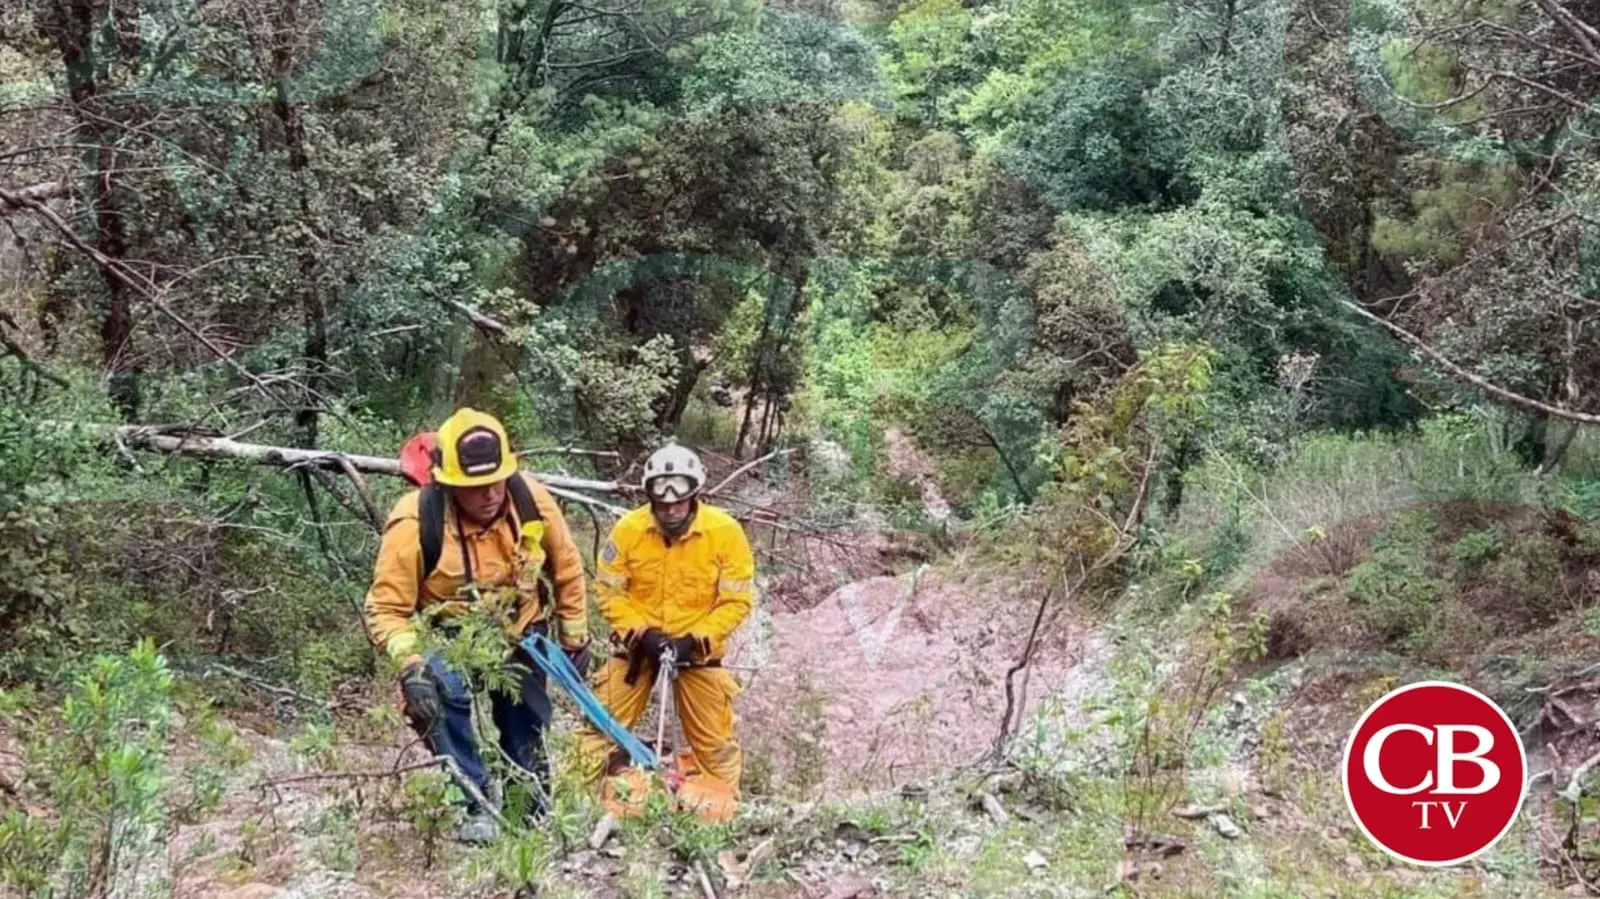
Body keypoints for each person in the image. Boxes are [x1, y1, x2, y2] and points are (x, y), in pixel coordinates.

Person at [364, 407, 591, 844]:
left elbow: (566, 566)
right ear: (448, 484)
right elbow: (386, 607)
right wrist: (411, 664)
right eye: (474, 487)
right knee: (435, 692)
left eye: (496, 481)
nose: (489, 494)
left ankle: (529, 802)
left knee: (524, 717)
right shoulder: (415, 522)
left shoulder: (531, 501)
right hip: (450, 631)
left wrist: (575, 636)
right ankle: (473, 799)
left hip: (521, 626)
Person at [575, 441, 756, 817]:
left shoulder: (725, 533)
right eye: (662, 503)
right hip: (638, 650)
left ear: (695, 496)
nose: (671, 510)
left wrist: (696, 639)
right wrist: (641, 633)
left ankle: (716, 816)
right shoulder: (629, 530)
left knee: (715, 746)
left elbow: (736, 601)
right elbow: (608, 590)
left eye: (679, 501)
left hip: (698, 654)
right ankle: (572, 809)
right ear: (650, 499)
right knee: (597, 729)